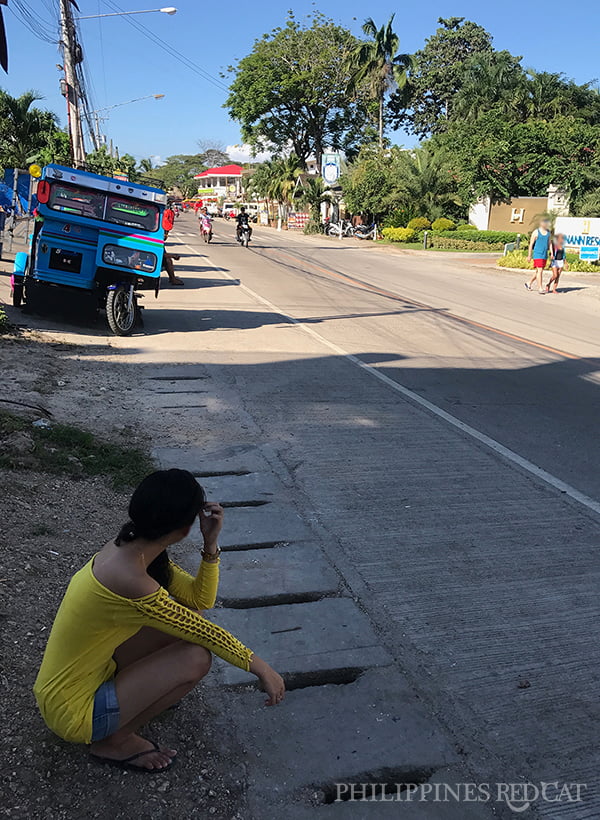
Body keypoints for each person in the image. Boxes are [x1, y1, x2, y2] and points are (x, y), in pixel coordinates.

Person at [33, 469, 285, 772]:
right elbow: (206, 634)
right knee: (195, 657)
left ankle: (138, 697)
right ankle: (113, 741)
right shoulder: (132, 579)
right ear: (185, 527)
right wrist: (261, 667)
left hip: (70, 683)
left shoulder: (127, 547)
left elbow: (198, 600)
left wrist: (210, 545)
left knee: (187, 621)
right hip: (75, 712)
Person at [525, 218, 551, 294]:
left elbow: (550, 243)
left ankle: (528, 283)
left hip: (544, 254)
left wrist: (552, 253)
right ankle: (540, 288)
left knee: (538, 271)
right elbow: (531, 244)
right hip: (537, 254)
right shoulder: (536, 232)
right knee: (540, 271)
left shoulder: (548, 233)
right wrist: (529, 255)